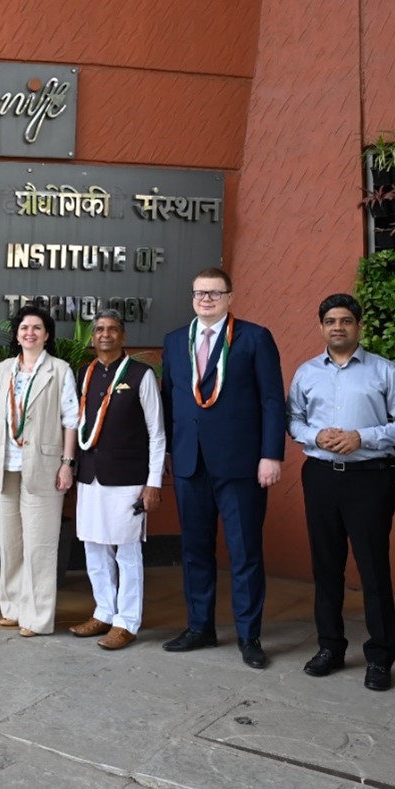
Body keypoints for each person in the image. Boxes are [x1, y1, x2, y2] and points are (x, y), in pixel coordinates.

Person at [287, 294, 395, 690]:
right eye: (330, 321)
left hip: (368, 478)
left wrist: (363, 436)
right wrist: (315, 435)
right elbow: (293, 420)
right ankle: (330, 647)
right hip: (321, 477)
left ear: (359, 326)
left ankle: (380, 657)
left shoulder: (384, 370)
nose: (338, 327)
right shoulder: (307, 373)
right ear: (321, 327)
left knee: (373, 569)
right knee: (326, 567)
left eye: (346, 320)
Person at [160, 266, 285, 669]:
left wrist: (271, 455)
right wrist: (169, 454)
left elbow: (271, 400)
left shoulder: (254, 337)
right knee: (195, 550)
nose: (206, 299)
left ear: (230, 297)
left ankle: (249, 635)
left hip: (241, 465)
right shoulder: (175, 340)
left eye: (215, 293)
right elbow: (169, 401)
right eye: (200, 293)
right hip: (190, 463)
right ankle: (200, 627)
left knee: (245, 551)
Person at [69, 309, 166, 651]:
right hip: (89, 475)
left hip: (128, 479)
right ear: (93, 337)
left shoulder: (141, 375)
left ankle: (127, 622)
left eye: (112, 329)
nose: (105, 334)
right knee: (94, 548)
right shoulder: (84, 373)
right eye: (99, 329)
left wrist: (153, 483)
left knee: (126, 552)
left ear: (123, 336)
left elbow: (157, 433)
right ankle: (104, 612)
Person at [0, 306, 79, 637]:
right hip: (6, 464)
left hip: (44, 466)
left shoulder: (59, 370)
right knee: (11, 543)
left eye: (37, 328)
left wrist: (67, 463)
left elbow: (71, 420)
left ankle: (37, 617)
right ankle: (12, 607)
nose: (30, 333)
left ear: (47, 335)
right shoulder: (5, 368)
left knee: (40, 544)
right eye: (24, 327)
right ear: (17, 333)